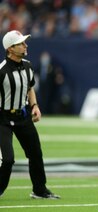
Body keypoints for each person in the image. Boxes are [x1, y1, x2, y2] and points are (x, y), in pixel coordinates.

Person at [0, 30, 60, 199]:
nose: (25, 45)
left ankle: (39, 190)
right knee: (8, 159)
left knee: (35, 153)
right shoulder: (1, 70)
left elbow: (30, 88)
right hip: (2, 118)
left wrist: (35, 106)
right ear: (10, 49)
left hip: (22, 115)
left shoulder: (27, 65)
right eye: (20, 43)